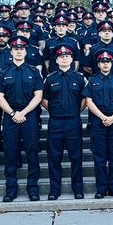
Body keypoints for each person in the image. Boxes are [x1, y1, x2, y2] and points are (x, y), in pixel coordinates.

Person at [0, 38, 45, 202]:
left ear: (25, 51)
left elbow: (38, 96)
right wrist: (12, 113)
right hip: (10, 117)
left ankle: (33, 189)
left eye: (21, 48)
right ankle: (11, 190)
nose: (18, 51)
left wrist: (22, 112)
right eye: (15, 48)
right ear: (11, 51)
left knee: (32, 154)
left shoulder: (33, 71)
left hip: (29, 116)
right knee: (10, 154)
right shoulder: (3, 72)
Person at [43, 46, 86, 200]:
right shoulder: (50, 78)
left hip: (73, 121)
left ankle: (78, 189)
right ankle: (55, 190)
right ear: (56, 60)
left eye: (67, 56)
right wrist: (55, 112)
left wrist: (75, 112)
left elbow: (84, 100)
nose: (64, 58)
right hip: (55, 121)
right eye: (61, 57)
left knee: (76, 157)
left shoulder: (79, 78)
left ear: (71, 59)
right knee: (54, 157)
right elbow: (44, 99)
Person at [84, 48, 113, 199]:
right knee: (99, 158)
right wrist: (102, 117)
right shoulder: (92, 80)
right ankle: (101, 189)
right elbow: (89, 101)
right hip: (98, 122)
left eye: (108, 61)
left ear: (112, 63)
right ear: (98, 64)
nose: (105, 64)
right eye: (103, 62)